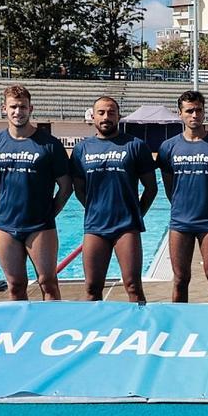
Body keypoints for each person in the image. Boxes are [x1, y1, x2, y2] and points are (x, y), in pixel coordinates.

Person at [0, 85, 73, 300]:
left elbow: (66, 187)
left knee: (48, 282)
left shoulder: (49, 144)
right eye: (13, 106)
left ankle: (52, 328)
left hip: (40, 226)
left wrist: (49, 213)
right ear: (4, 108)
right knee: (15, 285)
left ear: (31, 109)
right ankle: (21, 328)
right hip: (6, 226)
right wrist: (6, 209)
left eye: (22, 107)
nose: (18, 112)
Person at [69, 96, 158, 302]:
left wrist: (136, 213)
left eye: (111, 112)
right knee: (92, 287)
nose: (106, 117)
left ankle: (140, 328)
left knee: (133, 285)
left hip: (126, 226)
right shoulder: (82, 149)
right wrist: (95, 208)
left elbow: (151, 187)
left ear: (119, 116)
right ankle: (96, 329)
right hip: (95, 226)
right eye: (101, 112)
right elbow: (78, 188)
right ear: (93, 117)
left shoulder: (135, 145)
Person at [158, 90, 208, 303]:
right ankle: (178, 321)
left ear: (204, 112)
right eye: (189, 111)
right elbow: (168, 186)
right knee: (180, 278)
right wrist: (181, 207)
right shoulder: (168, 147)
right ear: (180, 113)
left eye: (198, 110)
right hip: (180, 223)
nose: (194, 115)